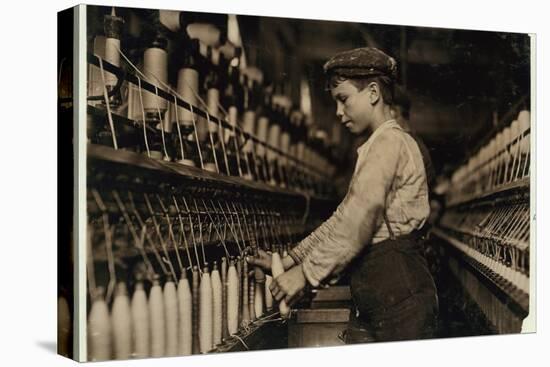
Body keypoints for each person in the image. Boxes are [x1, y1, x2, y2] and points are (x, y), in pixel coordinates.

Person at [248, 47, 438, 343]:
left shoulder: (389, 144)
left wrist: (304, 274)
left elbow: (357, 225)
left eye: (344, 99)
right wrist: (290, 260)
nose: (338, 112)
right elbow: (343, 217)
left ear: (373, 93)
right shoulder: (377, 145)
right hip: (388, 292)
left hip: (401, 293)